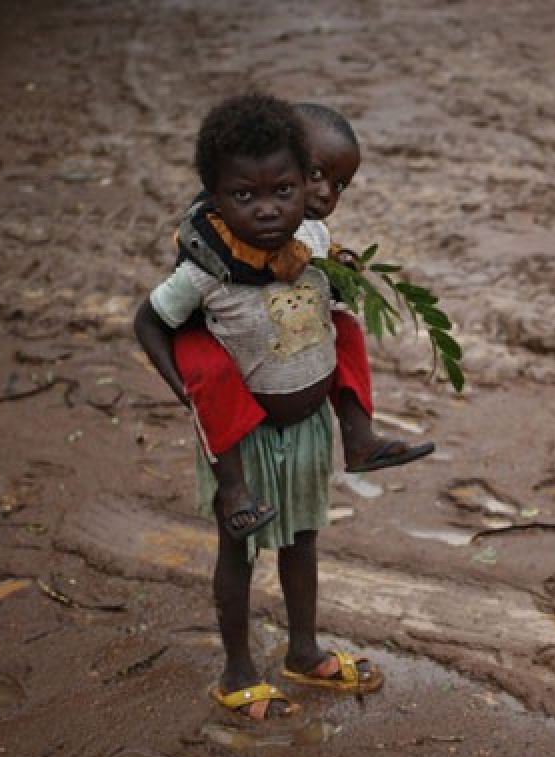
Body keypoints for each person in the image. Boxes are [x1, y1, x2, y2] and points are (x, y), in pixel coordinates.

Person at [134, 92, 383, 719]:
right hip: (240, 439)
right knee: (237, 549)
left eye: (285, 190)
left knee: (302, 540)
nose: (269, 209)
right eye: (245, 195)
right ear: (214, 196)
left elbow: (330, 305)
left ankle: (303, 652)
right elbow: (150, 323)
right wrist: (189, 390)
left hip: (304, 429)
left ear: (306, 186)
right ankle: (237, 672)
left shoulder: (314, 239)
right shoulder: (205, 270)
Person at [172, 102, 433, 541]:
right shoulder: (217, 233)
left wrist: (340, 275)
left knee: (345, 327)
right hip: (227, 351)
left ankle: (359, 436)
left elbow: (308, 276)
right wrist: (179, 384)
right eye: (315, 175)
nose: (328, 194)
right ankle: (235, 489)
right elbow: (171, 310)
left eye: (340, 185)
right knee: (208, 368)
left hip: (284, 357)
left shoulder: (308, 231)